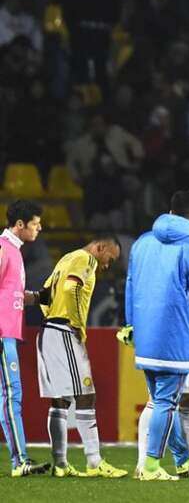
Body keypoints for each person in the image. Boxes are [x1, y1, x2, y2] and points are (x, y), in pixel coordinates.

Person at [124, 190, 189, 481]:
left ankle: (183, 460)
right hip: (175, 337)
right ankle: (150, 467)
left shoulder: (142, 242)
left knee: (160, 402)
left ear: (170, 211)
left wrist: (130, 324)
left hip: (145, 337)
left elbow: (131, 285)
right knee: (166, 403)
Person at [37, 236, 125, 478]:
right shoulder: (86, 258)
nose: (107, 265)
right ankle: (94, 461)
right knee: (86, 395)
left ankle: (61, 464)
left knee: (61, 400)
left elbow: (45, 295)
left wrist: (49, 315)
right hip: (64, 331)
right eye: (110, 259)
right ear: (100, 247)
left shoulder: (65, 259)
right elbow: (71, 288)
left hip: (48, 330)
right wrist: (75, 323)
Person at [0, 200, 49, 476]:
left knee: (10, 396)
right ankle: (20, 462)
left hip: (7, 334)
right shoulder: (3, 249)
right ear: (20, 225)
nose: (39, 227)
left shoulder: (14, 252)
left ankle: (20, 460)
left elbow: (10, 295)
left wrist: (38, 297)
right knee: (11, 396)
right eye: (35, 223)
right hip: (2, 335)